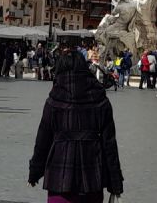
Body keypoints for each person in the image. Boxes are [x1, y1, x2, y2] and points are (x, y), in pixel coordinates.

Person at [29, 47, 125, 203]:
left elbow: (42, 141)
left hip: (60, 175)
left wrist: (35, 171)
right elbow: (110, 145)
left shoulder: (54, 100)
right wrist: (115, 183)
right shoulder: (101, 100)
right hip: (92, 175)